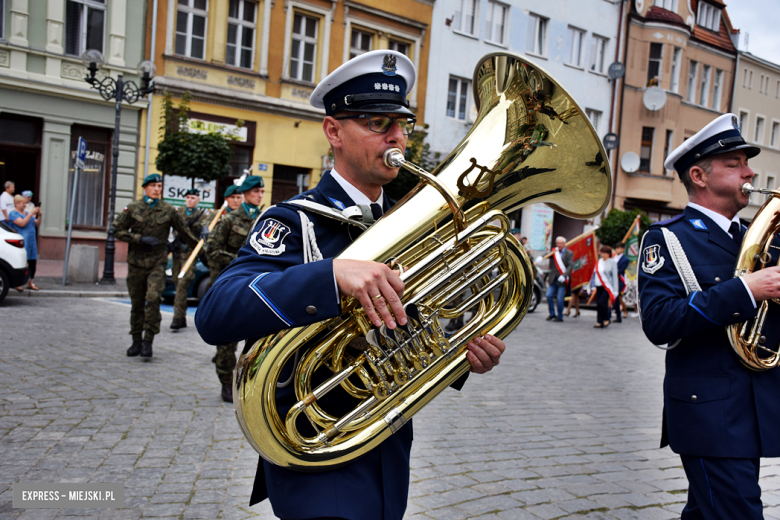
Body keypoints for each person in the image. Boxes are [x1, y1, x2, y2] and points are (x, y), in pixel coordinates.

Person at [195, 50, 506, 520]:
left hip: (386, 443)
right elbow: (216, 312)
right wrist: (330, 275)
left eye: (402, 125)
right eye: (378, 123)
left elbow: (406, 325)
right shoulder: (293, 220)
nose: (397, 137)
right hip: (316, 452)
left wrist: (459, 355)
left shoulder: (409, 223)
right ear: (334, 131)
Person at [639, 113, 780, 519]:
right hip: (708, 412)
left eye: (746, 163)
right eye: (734, 164)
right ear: (699, 176)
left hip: (751, 409)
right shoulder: (667, 238)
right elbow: (660, 321)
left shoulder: (756, 237)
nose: (749, 172)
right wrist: (745, 290)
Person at [114, 173, 198, 359]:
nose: (157, 189)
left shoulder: (168, 210)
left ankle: (148, 341)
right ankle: (136, 340)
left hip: (157, 263)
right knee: (136, 304)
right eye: (153, 186)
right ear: (145, 188)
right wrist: (138, 238)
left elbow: (184, 232)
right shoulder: (133, 208)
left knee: (153, 298)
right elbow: (116, 229)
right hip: (136, 263)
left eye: (160, 186)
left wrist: (202, 247)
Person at [204, 176, 264, 402]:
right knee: (227, 340)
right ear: (246, 193)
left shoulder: (265, 219)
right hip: (232, 284)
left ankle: (250, 382)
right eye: (256, 191)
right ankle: (225, 381)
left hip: (257, 286)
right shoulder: (230, 220)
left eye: (262, 191)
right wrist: (241, 261)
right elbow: (213, 249)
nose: (260, 195)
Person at [170, 188, 211, 331]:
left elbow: (205, 225)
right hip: (177, 253)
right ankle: (181, 317)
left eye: (193, 198)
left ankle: (177, 317)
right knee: (176, 283)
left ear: (198, 200)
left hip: (190, 254)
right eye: (188, 197)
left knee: (182, 284)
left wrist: (205, 229)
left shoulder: (201, 215)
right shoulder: (178, 212)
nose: (190, 200)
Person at [8, 194, 41, 291]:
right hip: (21, 242)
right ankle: (16, 283)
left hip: (31, 242)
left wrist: (40, 215)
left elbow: (37, 223)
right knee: (20, 263)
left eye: (25, 203)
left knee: (32, 262)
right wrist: (31, 213)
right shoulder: (13, 214)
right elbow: (22, 223)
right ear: (16, 204)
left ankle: (30, 282)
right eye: (23, 203)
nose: (24, 205)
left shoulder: (27, 213)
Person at [589, 245, 617, 328]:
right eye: (602, 252)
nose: (603, 254)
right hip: (598, 285)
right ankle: (599, 321)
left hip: (607, 286)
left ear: (609, 254)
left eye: (605, 253)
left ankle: (607, 318)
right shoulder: (599, 262)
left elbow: (614, 276)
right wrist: (591, 285)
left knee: (602, 303)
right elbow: (594, 274)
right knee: (598, 304)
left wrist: (615, 289)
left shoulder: (612, 262)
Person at [546, 236, 572, 322]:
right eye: (558, 243)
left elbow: (570, 265)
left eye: (561, 243)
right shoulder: (555, 251)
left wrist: (564, 275)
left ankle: (560, 316)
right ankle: (552, 313)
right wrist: (540, 258)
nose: (559, 245)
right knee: (548, 295)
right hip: (553, 278)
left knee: (560, 299)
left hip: (562, 279)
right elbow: (547, 255)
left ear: (564, 244)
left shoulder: (569, 253)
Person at [612, 242, 628, 322]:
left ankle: (616, 313)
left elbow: (621, 270)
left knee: (617, 297)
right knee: (615, 297)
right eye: (616, 248)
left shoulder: (625, 259)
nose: (617, 250)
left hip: (620, 280)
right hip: (612, 280)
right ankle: (617, 315)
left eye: (618, 248)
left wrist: (612, 271)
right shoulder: (613, 257)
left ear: (622, 249)